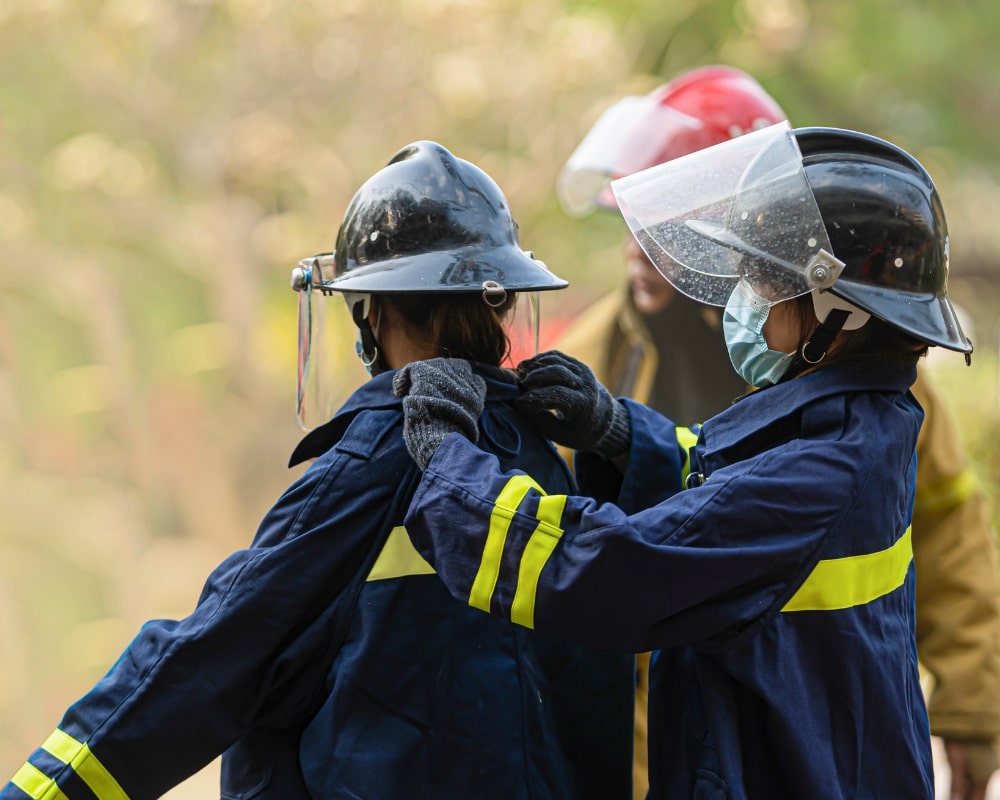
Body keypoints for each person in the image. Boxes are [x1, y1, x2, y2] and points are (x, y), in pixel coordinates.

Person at [1, 141, 634, 800]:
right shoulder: (553, 454)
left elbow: (199, 665)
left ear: (374, 312)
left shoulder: (377, 465)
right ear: (502, 302)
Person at [394, 123, 975, 798]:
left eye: (765, 275)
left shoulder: (823, 474)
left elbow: (609, 574)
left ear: (836, 310)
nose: (744, 294)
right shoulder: (862, 425)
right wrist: (620, 434)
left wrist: (448, 465)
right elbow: (733, 490)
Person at [554, 66, 1000, 800]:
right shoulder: (594, 360)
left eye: (660, 231)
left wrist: (971, 709)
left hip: (800, 737)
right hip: (646, 737)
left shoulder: (870, 374)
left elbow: (948, 525)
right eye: (627, 226)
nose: (637, 250)